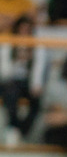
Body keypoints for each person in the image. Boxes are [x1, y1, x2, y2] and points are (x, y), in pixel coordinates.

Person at [0, 15, 47, 146]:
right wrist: (17, 60)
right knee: (10, 93)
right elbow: (4, 73)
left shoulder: (37, 46)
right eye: (22, 29)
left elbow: (39, 69)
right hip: (10, 81)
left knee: (37, 100)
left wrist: (36, 85)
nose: (24, 33)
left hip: (28, 82)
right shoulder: (8, 44)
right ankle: (13, 127)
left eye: (27, 30)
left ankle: (22, 131)